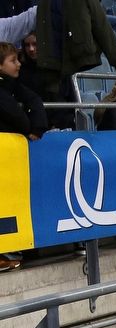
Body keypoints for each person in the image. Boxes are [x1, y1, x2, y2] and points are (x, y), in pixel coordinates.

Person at [0, 39, 45, 273]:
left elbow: (33, 100)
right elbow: (20, 119)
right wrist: (29, 124)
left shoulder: (11, 85)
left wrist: (37, 126)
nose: (18, 64)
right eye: (13, 60)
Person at [16, 31, 42, 97]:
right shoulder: (18, 64)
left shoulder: (56, 65)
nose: (31, 49)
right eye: (27, 45)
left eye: (35, 44)